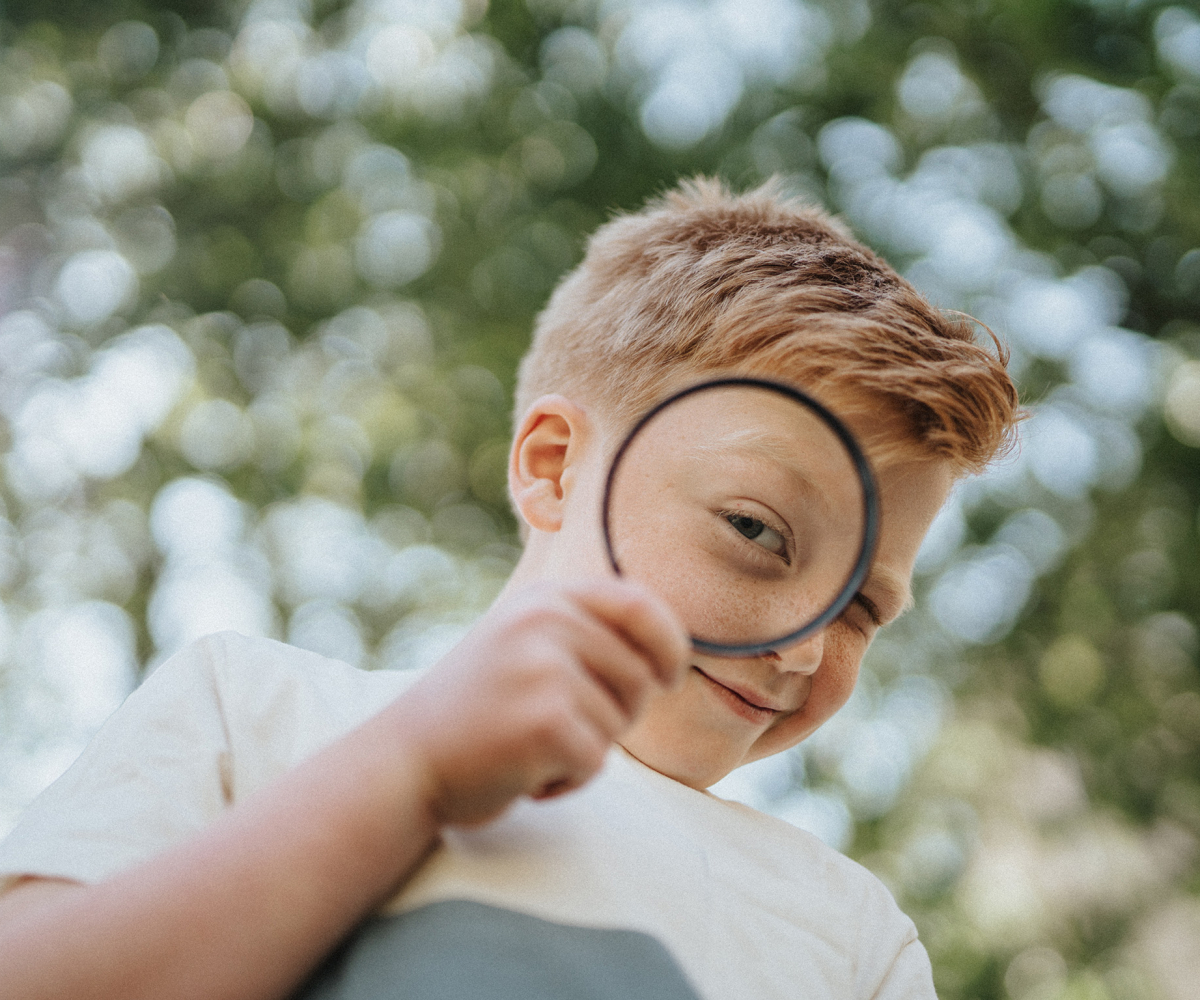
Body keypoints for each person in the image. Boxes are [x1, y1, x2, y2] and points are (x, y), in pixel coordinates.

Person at [0, 178, 1018, 1000]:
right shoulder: (255, 707)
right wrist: (410, 770)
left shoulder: (853, 934)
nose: (802, 647)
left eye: (863, 608)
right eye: (757, 530)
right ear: (553, 467)